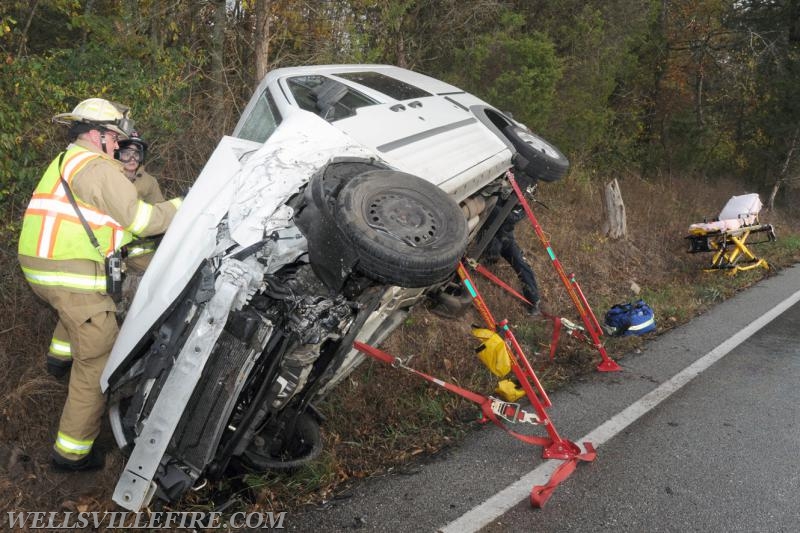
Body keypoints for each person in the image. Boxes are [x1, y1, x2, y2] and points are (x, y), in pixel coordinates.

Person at [17, 98, 182, 472]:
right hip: (69, 273)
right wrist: (185, 205)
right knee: (97, 356)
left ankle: (58, 358)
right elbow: (144, 221)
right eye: (113, 137)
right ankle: (71, 454)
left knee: (74, 313)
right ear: (96, 134)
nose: (118, 146)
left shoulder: (66, 160)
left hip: (43, 268)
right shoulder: (99, 168)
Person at [115, 132, 164, 269]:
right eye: (126, 153)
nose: (132, 159)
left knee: (155, 269)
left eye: (136, 154)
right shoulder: (110, 177)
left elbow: (159, 212)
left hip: (136, 248)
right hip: (109, 244)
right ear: (117, 154)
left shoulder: (148, 182)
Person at [483, 203, 541, 315]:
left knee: (522, 264)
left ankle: (534, 301)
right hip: (489, 236)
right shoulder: (499, 195)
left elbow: (511, 217)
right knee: (490, 255)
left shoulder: (521, 207)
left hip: (507, 239)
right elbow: (493, 209)